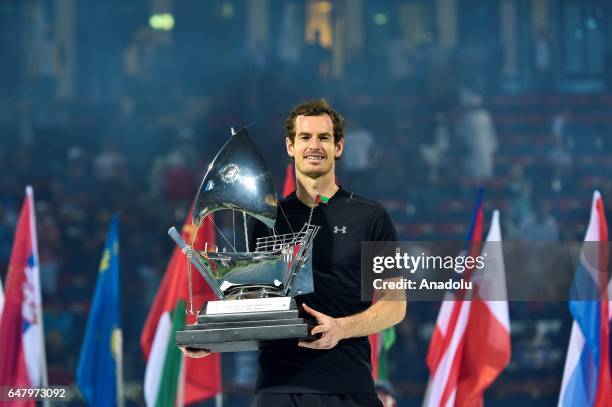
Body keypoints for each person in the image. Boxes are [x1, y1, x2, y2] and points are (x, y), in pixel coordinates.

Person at [182, 99, 406, 407]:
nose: (314, 146)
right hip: (278, 389)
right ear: (290, 146)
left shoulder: (371, 217)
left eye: (324, 138)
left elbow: (395, 304)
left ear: (338, 147)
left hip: (349, 385)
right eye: (305, 137)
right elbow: (253, 304)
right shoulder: (263, 220)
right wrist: (214, 335)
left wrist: (342, 328)